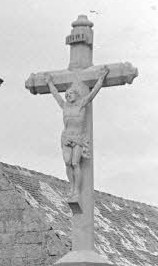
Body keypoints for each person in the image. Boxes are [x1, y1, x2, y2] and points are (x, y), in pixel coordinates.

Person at [45, 69, 110, 206]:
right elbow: (55, 94)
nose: (68, 96)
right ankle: (71, 186)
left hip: (78, 137)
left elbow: (93, 93)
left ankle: (76, 190)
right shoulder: (64, 106)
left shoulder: (81, 104)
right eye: (67, 95)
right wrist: (50, 83)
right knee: (67, 162)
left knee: (75, 163)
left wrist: (100, 79)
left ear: (76, 95)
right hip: (66, 137)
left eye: (70, 94)